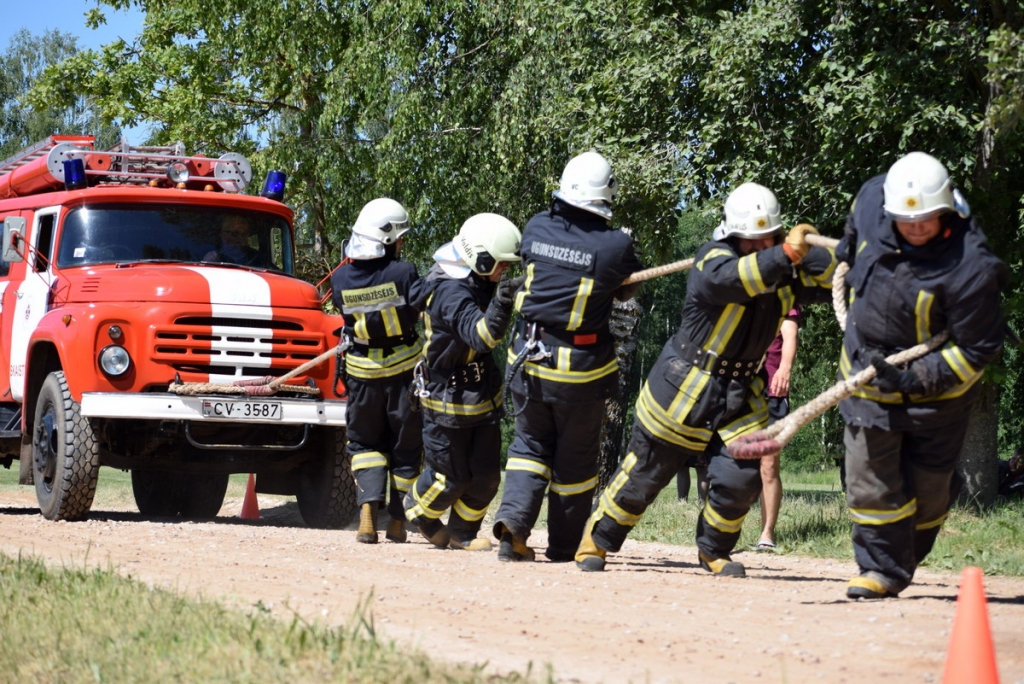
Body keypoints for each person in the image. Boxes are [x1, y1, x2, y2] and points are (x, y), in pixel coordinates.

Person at [574, 182, 835, 575]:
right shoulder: (712, 260)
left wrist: (846, 250)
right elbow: (735, 280)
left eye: (769, 238)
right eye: (752, 239)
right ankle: (596, 539)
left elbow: (831, 277)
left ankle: (714, 550)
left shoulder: (783, 267)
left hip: (741, 393)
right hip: (683, 385)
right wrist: (786, 253)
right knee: (646, 474)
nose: (760, 246)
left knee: (741, 476)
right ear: (733, 235)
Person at [834, 152, 1007, 599]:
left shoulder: (971, 264)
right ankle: (880, 570)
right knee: (867, 478)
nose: (914, 228)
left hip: (937, 400)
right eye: (905, 220)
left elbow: (978, 350)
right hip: (867, 382)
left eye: (925, 220)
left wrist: (915, 378)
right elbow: (858, 221)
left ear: (945, 210)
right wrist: (846, 247)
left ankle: (906, 554)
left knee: (928, 495)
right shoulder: (875, 197)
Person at [492, 151, 643, 563]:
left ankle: (513, 531)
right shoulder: (616, 244)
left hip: (529, 359)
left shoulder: (536, 225)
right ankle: (562, 546)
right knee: (575, 462)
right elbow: (626, 287)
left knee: (529, 447)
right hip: (581, 371)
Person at [403, 213, 523, 550]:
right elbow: (481, 337)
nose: (504, 272)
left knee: (486, 478)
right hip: (445, 399)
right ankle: (416, 508)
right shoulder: (449, 292)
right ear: (480, 258)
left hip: (480, 394)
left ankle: (462, 533)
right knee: (449, 478)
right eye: (501, 265)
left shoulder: (479, 279)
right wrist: (503, 301)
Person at [330, 198, 428, 545]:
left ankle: (368, 512)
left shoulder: (340, 278)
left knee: (366, 443)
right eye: (399, 238)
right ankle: (398, 521)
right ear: (386, 238)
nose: (402, 244)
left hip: (361, 374)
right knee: (405, 447)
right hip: (403, 374)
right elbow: (419, 306)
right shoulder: (404, 272)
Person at [756, 308, 799, 551]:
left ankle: (767, 532)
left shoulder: (786, 297)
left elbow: (790, 334)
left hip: (773, 389)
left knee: (769, 464)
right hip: (741, 387)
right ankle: (724, 529)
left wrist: (785, 368)